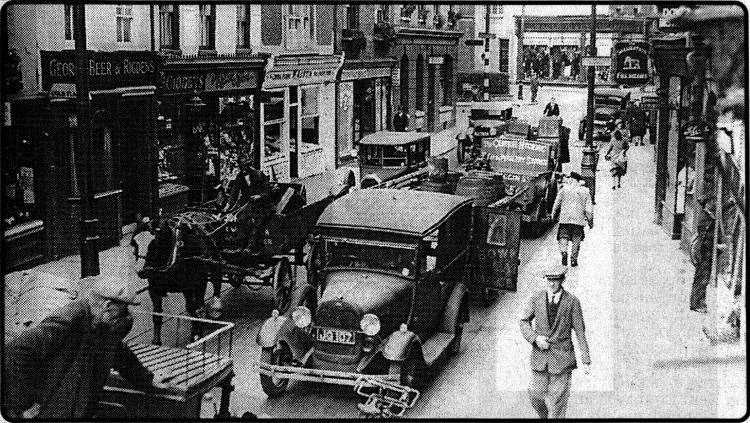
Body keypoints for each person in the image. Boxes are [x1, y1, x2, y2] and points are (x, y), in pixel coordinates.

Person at [4, 277, 175, 419]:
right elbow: (17, 351)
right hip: (54, 409)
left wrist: (147, 380)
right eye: (122, 311)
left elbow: (119, 353)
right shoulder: (69, 319)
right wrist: (23, 404)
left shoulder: (100, 324)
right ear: (107, 306)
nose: (124, 316)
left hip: (77, 407)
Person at [520, 266, 591, 419]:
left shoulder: (572, 302)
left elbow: (580, 331)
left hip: (562, 360)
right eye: (549, 279)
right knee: (535, 395)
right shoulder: (536, 298)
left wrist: (585, 359)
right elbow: (524, 322)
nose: (551, 284)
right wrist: (535, 338)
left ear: (562, 280)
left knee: (558, 402)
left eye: (555, 280)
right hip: (540, 358)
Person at [552, 172, 594, 267]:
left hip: (565, 219)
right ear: (579, 181)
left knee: (563, 236)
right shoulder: (585, 191)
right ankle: (573, 259)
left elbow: (556, 203)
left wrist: (553, 215)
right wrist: (590, 222)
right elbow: (589, 210)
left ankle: (564, 252)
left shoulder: (564, 189)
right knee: (576, 239)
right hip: (578, 220)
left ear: (571, 179)